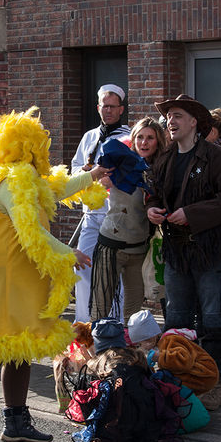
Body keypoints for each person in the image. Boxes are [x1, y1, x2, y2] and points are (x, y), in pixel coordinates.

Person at [0, 106, 110, 442]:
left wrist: (92, 175)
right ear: (29, 148)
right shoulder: (13, 181)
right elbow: (30, 230)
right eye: (40, 146)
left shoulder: (18, 177)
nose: (44, 154)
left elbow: (54, 189)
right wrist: (69, 253)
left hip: (16, 277)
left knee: (21, 345)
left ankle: (17, 421)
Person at [148, 94, 221, 409]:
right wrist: (150, 208)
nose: (170, 122)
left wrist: (192, 214)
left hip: (209, 251)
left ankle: (214, 384)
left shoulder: (216, 156)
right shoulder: (165, 158)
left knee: (213, 319)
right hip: (176, 250)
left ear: (194, 122)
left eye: (177, 116)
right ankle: (176, 385)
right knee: (176, 319)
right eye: (169, 117)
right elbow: (152, 193)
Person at [89, 117, 167, 325]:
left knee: (133, 313)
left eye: (150, 138)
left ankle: (127, 353)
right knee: (101, 307)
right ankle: (100, 354)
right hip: (110, 245)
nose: (144, 142)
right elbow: (92, 180)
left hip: (139, 249)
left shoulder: (162, 170)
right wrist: (96, 176)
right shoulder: (119, 162)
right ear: (133, 140)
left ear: (158, 141)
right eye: (140, 137)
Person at [71, 84, 130, 323]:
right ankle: (84, 323)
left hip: (115, 214)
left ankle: (116, 322)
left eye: (112, 107)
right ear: (98, 108)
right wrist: (86, 173)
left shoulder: (128, 137)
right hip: (91, 213)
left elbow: (131, 172)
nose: (107, 111)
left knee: (115, 269)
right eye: (104, 106)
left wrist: (108, 179)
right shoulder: (89, 137)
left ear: (121, 110)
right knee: (82, 263)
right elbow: (73, 169)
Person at [127, 309, 219, 397]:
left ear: (149, 340)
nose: (140, 348)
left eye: (139, 344)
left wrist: (159, 357)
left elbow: (184, 361)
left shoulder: (171, 339)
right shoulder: (160, 344)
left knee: (166, 382)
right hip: (199, 373)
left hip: (204, 375)